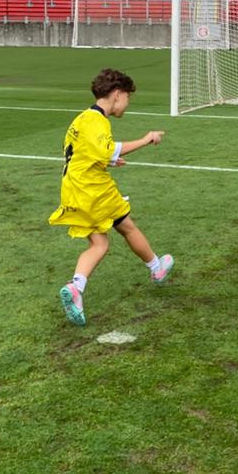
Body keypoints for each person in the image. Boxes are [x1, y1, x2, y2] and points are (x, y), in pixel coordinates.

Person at [49, 67, 174, 326]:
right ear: (117, 94)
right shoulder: (98, 121)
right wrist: (146, 139)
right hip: (95, 190)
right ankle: (156, 269)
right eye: (128, 97)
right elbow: (107, 150)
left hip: (74, 188)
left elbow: (79, 152)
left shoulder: (81, 119)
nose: (128, 103)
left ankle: (75, 288)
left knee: (99, 244)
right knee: (127, 226)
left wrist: (105, 161)